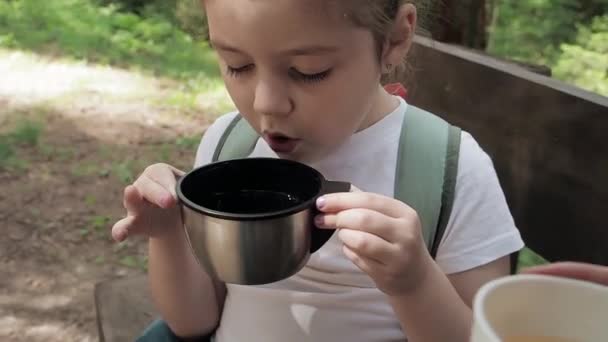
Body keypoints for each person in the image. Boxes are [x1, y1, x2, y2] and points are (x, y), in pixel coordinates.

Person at [110, 1, 524, 341]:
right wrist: (168, 233)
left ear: (395, 38)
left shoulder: (449, 171)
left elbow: (482, 336)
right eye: (237, 65)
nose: (267, 103)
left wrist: (415, 283)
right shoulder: (227, 147)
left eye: (309, 71)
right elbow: (193, 322)